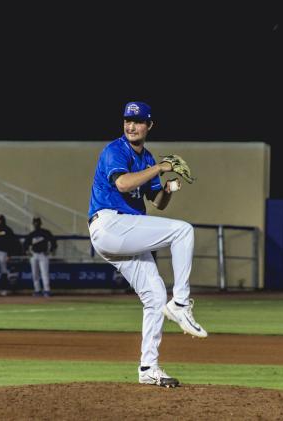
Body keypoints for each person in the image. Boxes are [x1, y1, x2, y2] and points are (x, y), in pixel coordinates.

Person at [87, 101, 207, 388]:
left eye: (138, 121)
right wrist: (162, 167)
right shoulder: (115, 150)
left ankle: (148, 368)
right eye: (128, 120)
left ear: (149, 125)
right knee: (183, 231)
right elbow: (124, 185)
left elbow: (158, 204)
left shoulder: (148, 158)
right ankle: (180, 303)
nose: (131, 125)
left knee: (154, 297)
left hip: (125, 233)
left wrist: (168, 188)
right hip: (110, 224)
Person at [23, 217, 57, 297]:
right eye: (35, 223)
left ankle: (47, 290)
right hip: (34, 255)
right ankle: (37, 290)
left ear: (40, 223)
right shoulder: (32, 234)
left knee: (44, 273)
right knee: (35, 274)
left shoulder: (45, 232)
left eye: (37, 222)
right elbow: (25, 245)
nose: (36, 224)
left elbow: (53, 242)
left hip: (43, 255)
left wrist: (51, 250)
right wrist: (27, 252)